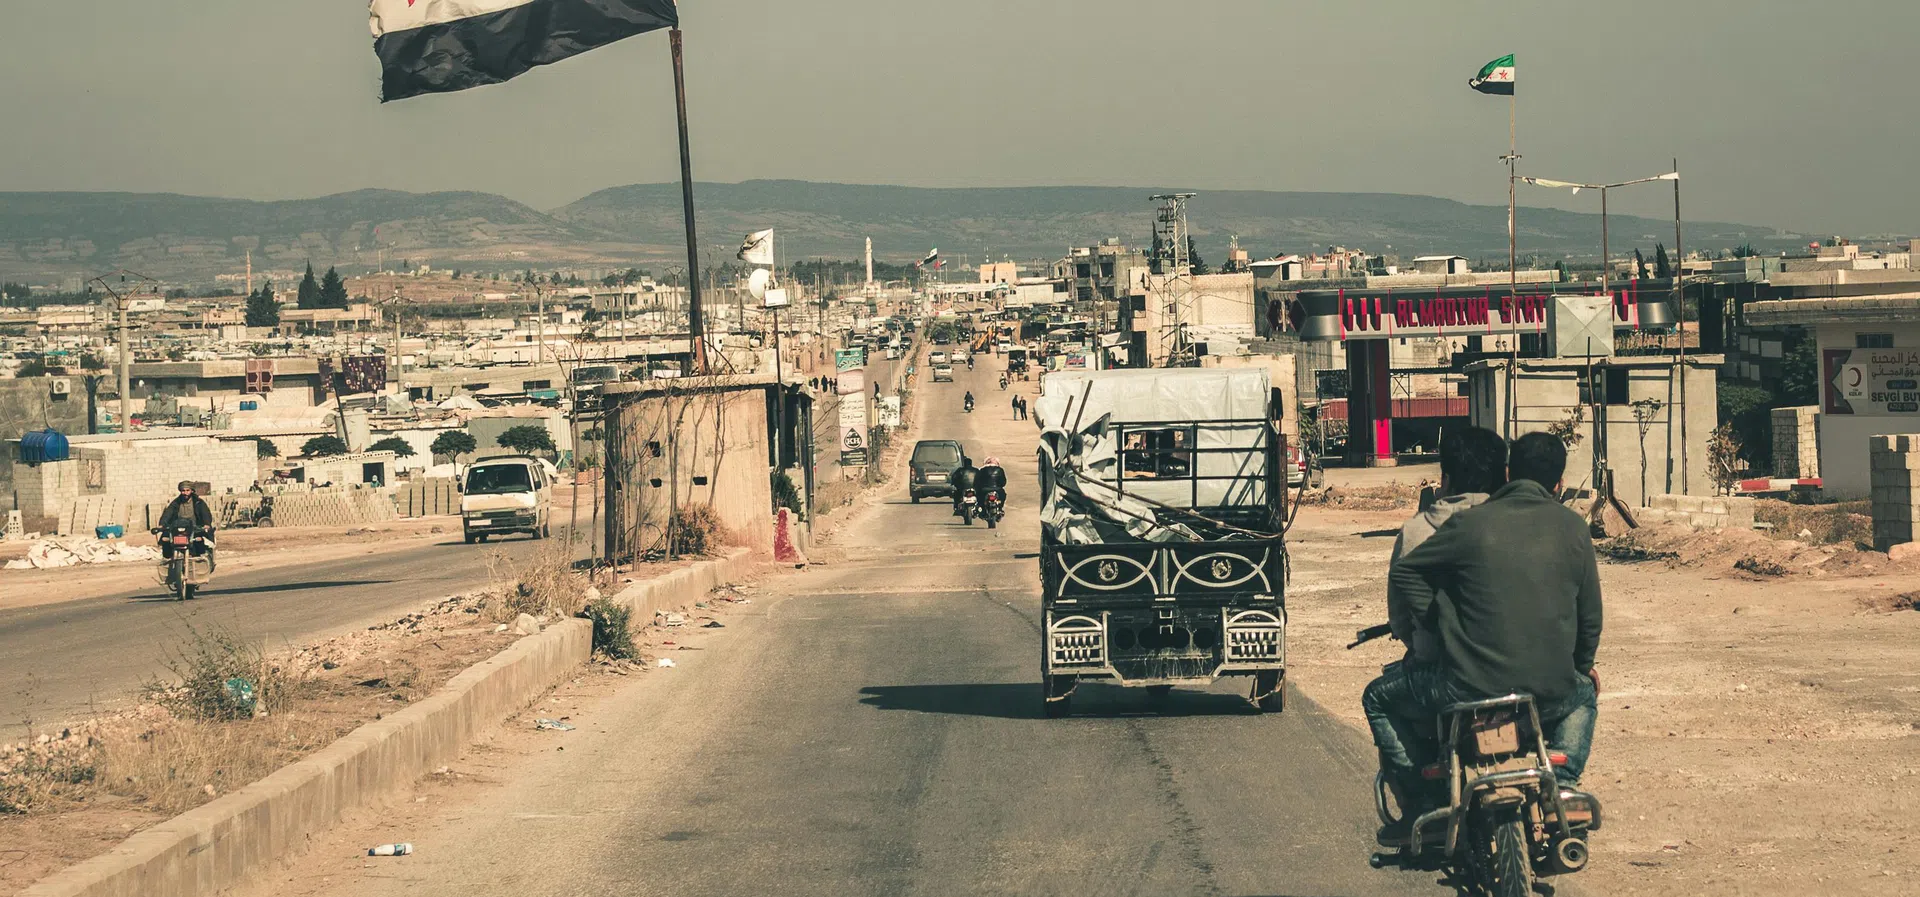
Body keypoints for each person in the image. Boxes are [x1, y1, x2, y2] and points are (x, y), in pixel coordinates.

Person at [1375, 433, 1602, 842]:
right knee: (1585, 692)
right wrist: (1581, 665)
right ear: (1559, 482)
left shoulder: (1465, 525)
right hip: (1547, 688)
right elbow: (1591, 620)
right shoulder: (1571, 526)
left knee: (1377, 696)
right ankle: (1564, 783)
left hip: (1462, 684)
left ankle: (1421, 804)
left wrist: (1438, 620)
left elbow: (1405, 575)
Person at [1361, 427, 1506, 831]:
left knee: (1377, 698)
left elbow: (1400, 616)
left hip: (1445, 676)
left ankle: (1419, 800)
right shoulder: (1517, 526)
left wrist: (1422, 637)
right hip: (1517, 668)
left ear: (1446, 478)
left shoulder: (1418, 530)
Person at [155, 480, 216, 572]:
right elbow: (168, 513)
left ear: (191, 491)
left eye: (187, 490)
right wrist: (162, 525)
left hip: (195, 528)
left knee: (200, 541)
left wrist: (206, 524)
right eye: (183, 491)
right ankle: (168, 563)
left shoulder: (198, 502)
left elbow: (205, 514)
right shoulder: (176, 503)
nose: (185, 493)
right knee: (166, 540)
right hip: (178, 528)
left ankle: (201, 562)